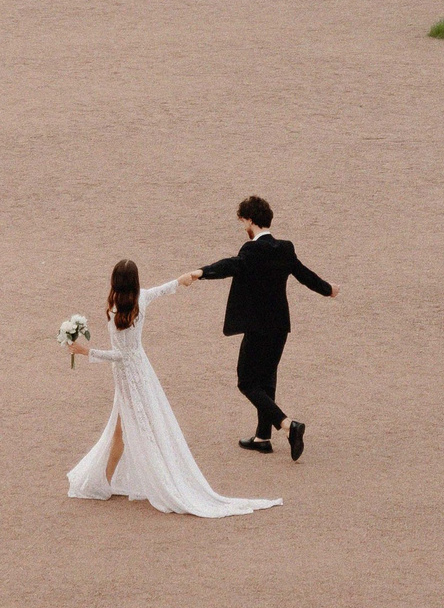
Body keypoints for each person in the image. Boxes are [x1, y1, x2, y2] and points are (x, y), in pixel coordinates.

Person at [67, 260, 280, 517]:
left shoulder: (115, 310)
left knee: (123, 431)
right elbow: (161, 290)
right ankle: (108, 482)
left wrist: (86, 351)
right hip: (141, 373)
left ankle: (107, 484)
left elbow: (120, 355)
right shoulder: (140, 299)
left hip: (128, 378)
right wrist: (182, 279)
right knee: (124, 429)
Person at [182, 196, 334, 460]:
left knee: (247, 381)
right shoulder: (285, 248)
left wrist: (200, 272)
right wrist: (329, 290)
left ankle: (288, 425)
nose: (242, 226)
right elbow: (304, 275)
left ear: (250, 220)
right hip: (280, 327)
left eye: (242, 221)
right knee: (267, 379)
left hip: (258, 327)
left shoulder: (251, 251)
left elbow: (231, 265)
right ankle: (263, 437)